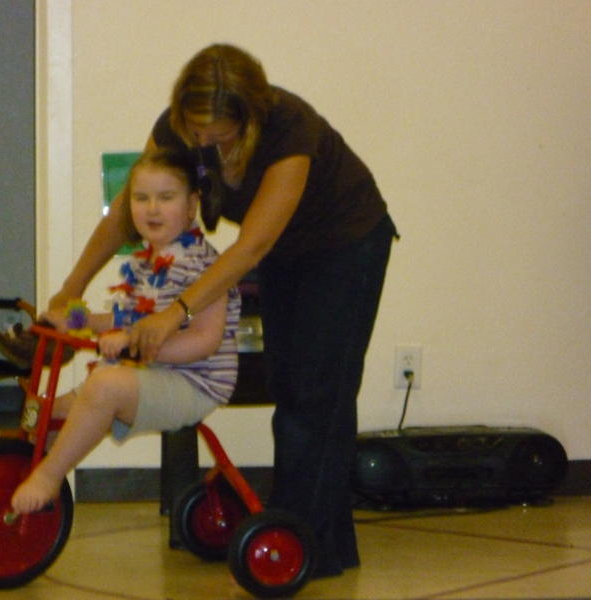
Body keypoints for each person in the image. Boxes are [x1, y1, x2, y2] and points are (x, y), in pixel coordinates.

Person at [26, 43, 395, 578]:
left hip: (345, 244)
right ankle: (319, 540)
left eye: (217, 135)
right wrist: (70, 290)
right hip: (286, 252)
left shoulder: (291, 129)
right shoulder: (177, 128)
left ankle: (303, 547)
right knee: (289, 383)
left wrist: (173, 313)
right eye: (195, 130)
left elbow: (250, 247)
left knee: (318, 391)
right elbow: (124, 213)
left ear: (249, 118)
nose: (201, 143)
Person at [10, 148, 241, 514]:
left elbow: (204, 341)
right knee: (49, 414)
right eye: (141, 198)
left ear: (192, 205)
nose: (152, 209)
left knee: (104, 386)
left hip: (195, 382)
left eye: (166, 197)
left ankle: (48, 477)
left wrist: (134, 344)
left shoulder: (202, 263)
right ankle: (20, 489)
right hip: (152, 373)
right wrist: (79, 321)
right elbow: (129, 320)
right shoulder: (149, 261)